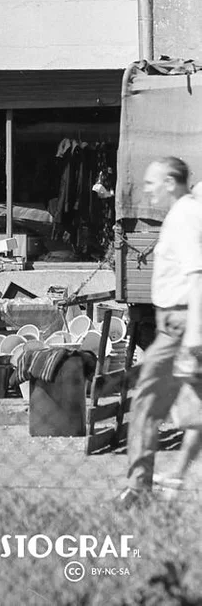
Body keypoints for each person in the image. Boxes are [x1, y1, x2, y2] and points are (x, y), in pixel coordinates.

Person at [117, 157, 202, 508]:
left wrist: (193, 339)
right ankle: (169, 479)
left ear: (170, 182)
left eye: (152, 183)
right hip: (180, 324)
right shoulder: (187, 212)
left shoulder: (183, 216)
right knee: (194, 409)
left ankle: (138, 490)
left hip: (180, 326)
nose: (147, 189)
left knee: (147, 403)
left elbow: (197, 277)